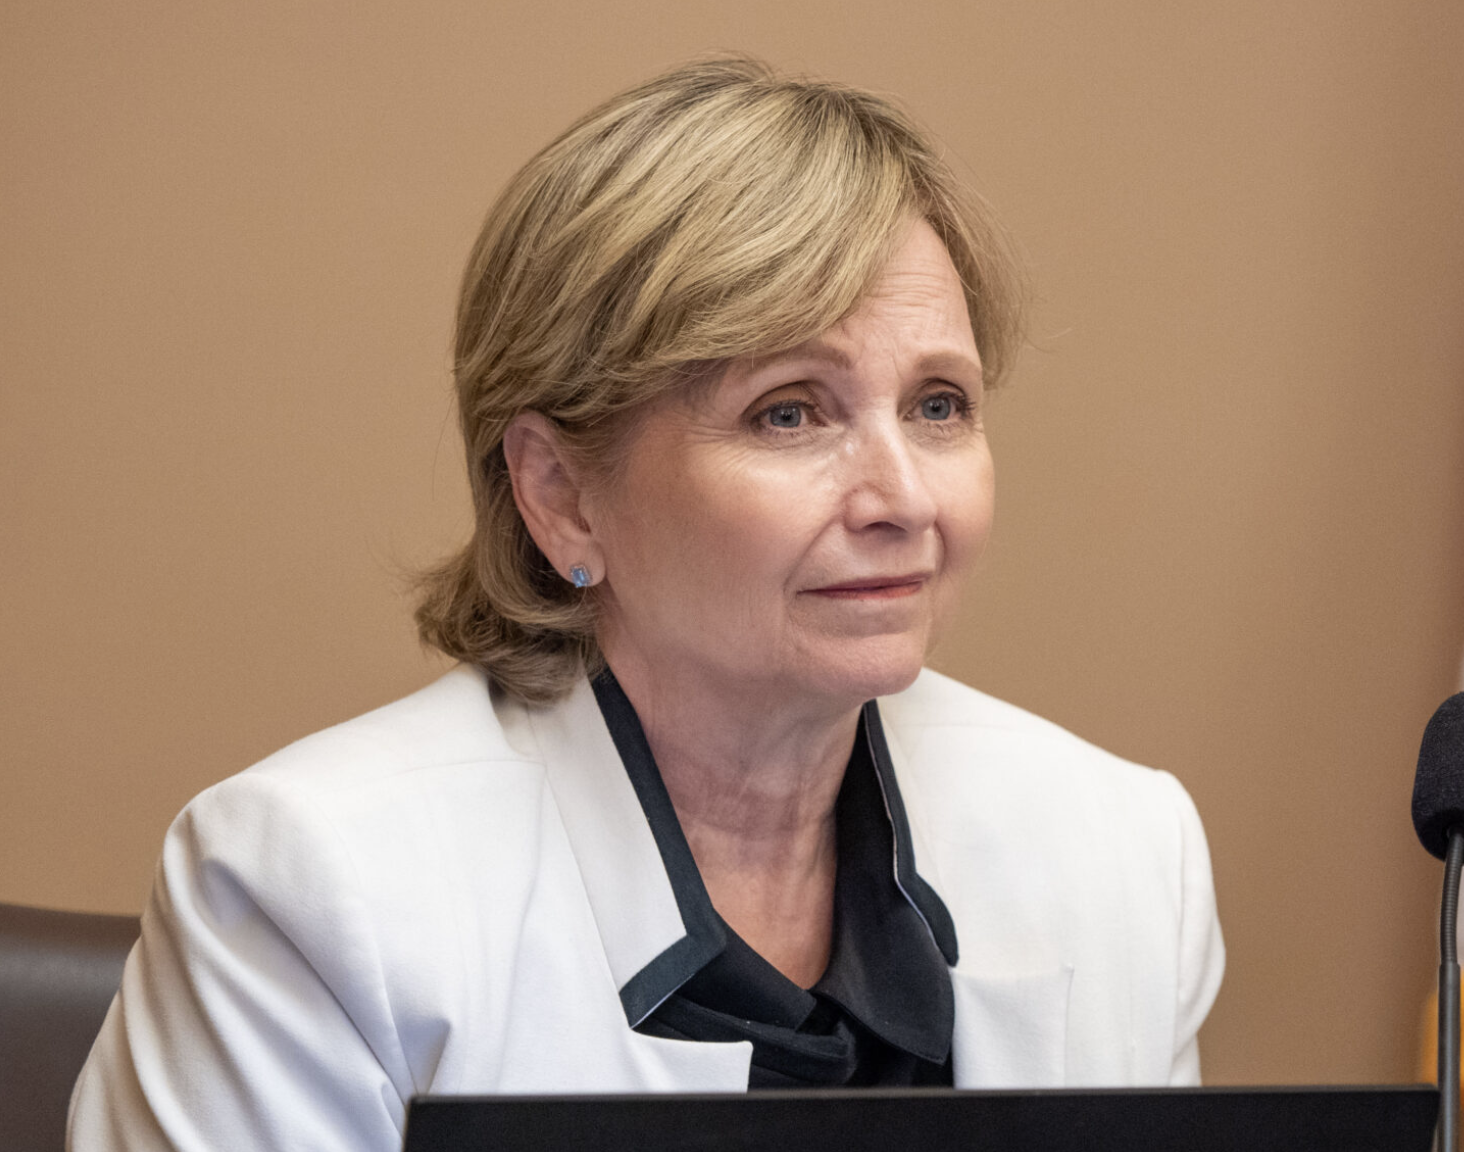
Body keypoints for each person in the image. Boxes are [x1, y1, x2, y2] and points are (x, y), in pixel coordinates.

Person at [68, 57, 1224, 1151]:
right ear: (562, 494)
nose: (903, 498)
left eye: (937, 406)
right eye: (790, 412)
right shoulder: (312, 891)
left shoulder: (1122, 851)